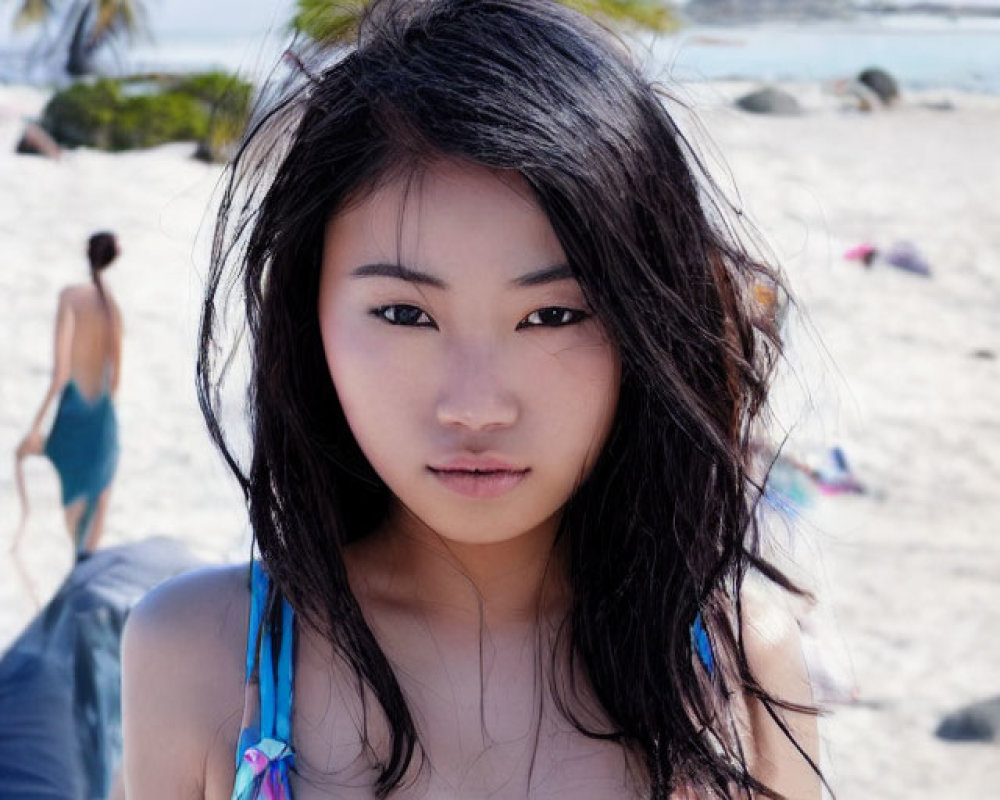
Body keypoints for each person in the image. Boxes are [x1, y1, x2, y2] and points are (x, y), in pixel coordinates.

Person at [122, 1, 823, 798]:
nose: (477, 407)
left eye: (553, 315)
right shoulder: (201, 656)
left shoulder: (734, 665)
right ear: (308, 319)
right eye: (405, 314)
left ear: (647, 327)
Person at [14, 231, 122, 561]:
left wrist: (35, 427)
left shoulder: (70, 298)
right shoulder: (111, 307)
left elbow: (60, 375)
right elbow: (115, 378)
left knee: (70, 502)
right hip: (102, 421)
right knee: (94, 517)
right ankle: (83, 572)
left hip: (74, 415)